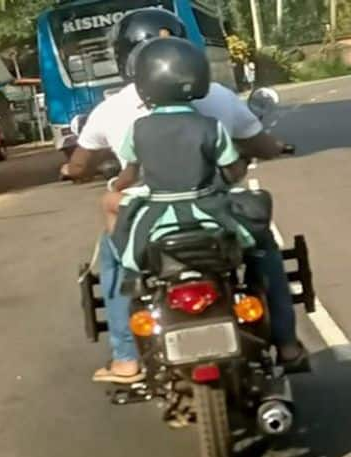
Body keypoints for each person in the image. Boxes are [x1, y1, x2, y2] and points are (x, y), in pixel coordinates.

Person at [63, 8, 307, 384]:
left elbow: (111, 171)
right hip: (213, 213)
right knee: (264, 248)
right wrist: (257, 154)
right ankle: (288, 344)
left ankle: (126, 358)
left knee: (114, 257)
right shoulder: (216, 105)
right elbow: (238, 164)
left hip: (153, 221)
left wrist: (107, 182)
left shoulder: (117, 114)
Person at [108, 37, 255, 271]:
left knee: (121, 253)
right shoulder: (210, 126)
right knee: (257, 243)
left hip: (155, 215)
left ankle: (124, 293)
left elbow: (129, 175)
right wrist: (243, 163)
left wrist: (115, 184)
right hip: (209, 210)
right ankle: (277, 302)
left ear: (144, 83)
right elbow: (234, 170)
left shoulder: (138, 129)